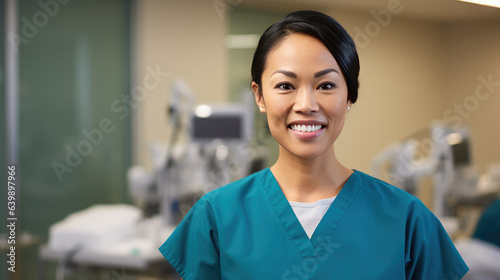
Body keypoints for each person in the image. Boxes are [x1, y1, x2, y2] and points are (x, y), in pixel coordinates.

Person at [159, 10, 469, 279]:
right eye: (285, 86)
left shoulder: (408, 220)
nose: (306, 104)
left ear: (349, 96)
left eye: (326, 85)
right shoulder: (216, 216)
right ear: (259, 96)